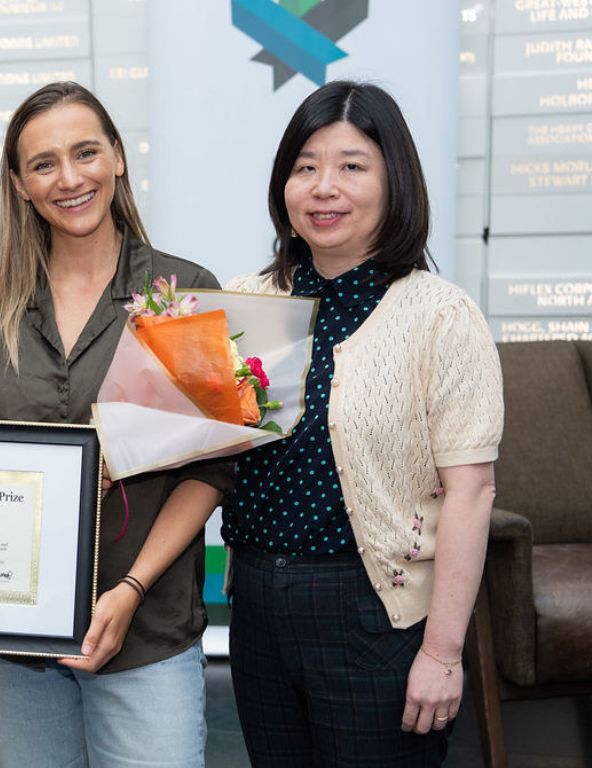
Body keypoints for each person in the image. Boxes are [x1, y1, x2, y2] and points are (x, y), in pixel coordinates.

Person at [0, 81, 234, 767]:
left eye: (85, 153)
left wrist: (129, 590)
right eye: (44, 164)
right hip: (13, 644)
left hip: (148, 632)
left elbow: (212, 467)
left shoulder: (180, 297)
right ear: (19, 184)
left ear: (118, 158)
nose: (70, 179)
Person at [223, 80, 504, 767]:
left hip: (376, 614)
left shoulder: (440, 315)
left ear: (394, 180)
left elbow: (470, 492)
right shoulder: (245, 304)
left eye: (352, 166)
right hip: (257, 606)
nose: (325, 188)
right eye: (305, 166)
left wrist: (442, 652)